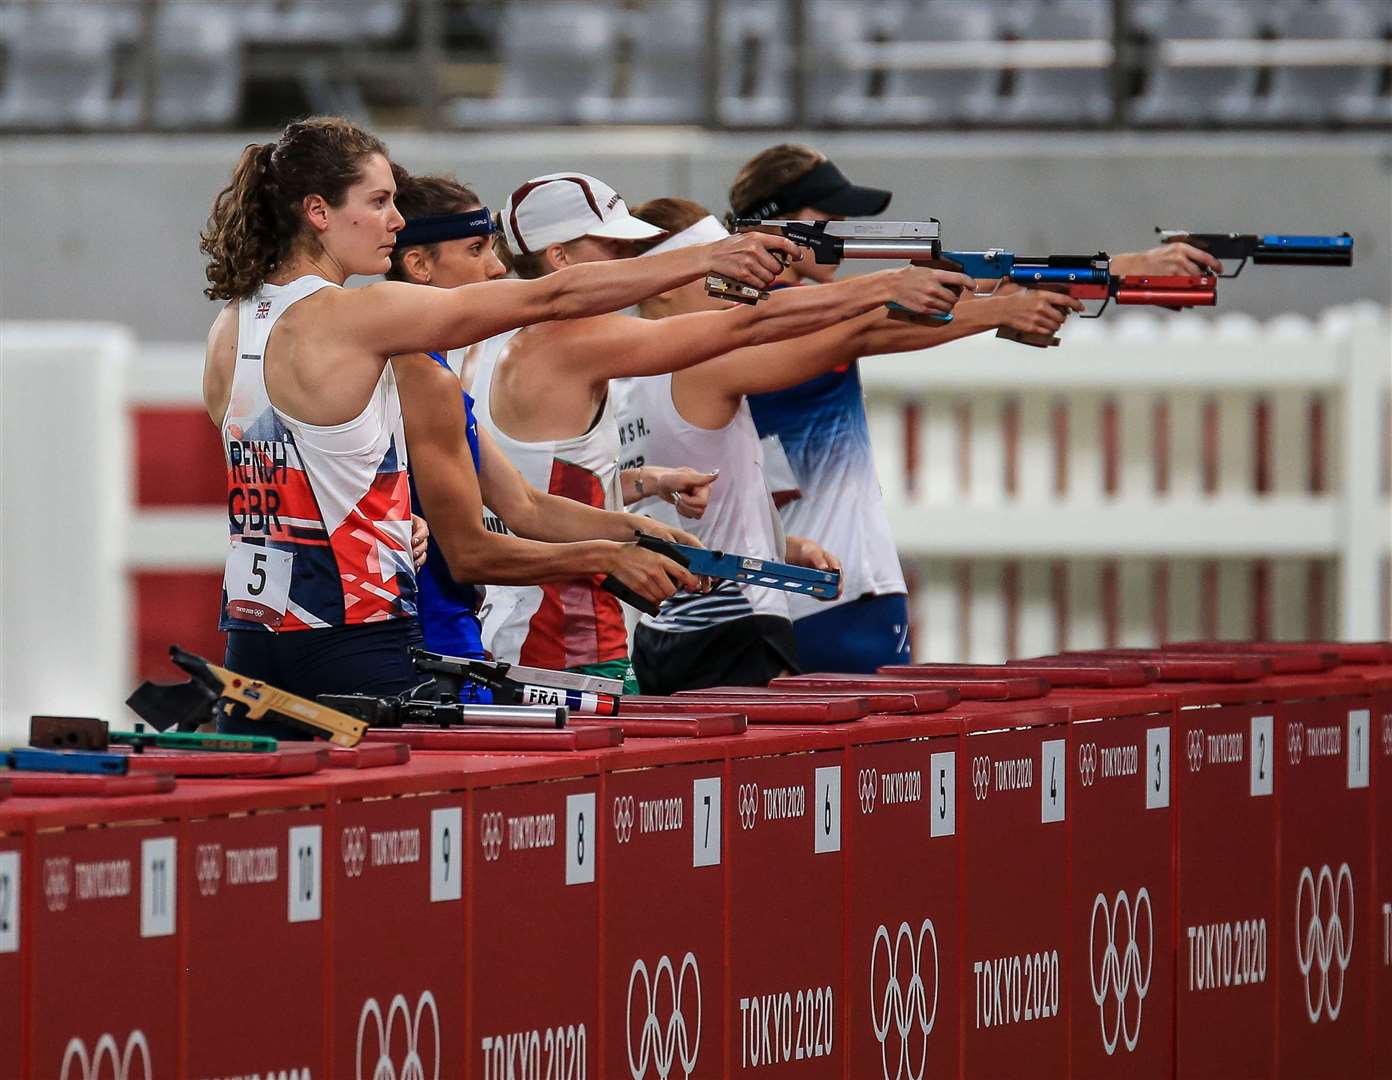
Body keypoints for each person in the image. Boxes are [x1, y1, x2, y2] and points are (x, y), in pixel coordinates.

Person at [199, 117, 788, 710]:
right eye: (378, 202)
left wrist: (398, 524)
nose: (397, 222)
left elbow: (292, 482)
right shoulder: (359, 315)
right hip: (358, 636)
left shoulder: (229, 326)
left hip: (254, 640)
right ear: (318, 211)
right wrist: (707, 256)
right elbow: (552, 295)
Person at [724, 144, 1225, 673]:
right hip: (836, 591)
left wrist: (1118, 271)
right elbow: (883, 318)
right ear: (773, 224)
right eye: (831, 219)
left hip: (782, 593)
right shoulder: (784, 314)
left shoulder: (740, 308)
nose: (846, 235)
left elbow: (955, 281)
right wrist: (1014, 305)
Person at [475, 171, 969, 692]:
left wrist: (646, 491)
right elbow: (750, 325)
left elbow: (539, 495)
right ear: (561, 258)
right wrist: (888, 285)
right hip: (572, 646)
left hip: (531, 635)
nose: (632, 262)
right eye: (614, 245)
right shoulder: (577, 342)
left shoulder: (492, 342)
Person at [618, 197, 1086, 692]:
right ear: (661, 288)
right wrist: (999, 309)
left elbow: (669, 500)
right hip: (736, 629)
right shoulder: (701, 364)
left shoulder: (611, 374)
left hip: (658, 635)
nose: (735, 283)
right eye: (711, 267)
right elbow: (853, 335)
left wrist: (777, 542)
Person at [384, 167, 712, 672]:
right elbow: (473, 550)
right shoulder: (432, 370)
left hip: (476, 631)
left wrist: (630, 524)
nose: (496, 270)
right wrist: (608, 553)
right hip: (481, 642)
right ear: (418, 264)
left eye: (492, 250)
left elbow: (525, 504)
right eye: (476, 252)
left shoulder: (452, 358)